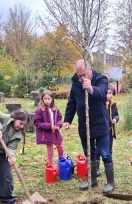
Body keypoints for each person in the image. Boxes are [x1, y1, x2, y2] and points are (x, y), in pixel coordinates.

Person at [63, 59, 114, 194]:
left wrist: (91, 88)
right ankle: (92, 180)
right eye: (78, 75)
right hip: (84, 125)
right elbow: (72, 101)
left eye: (83, 75)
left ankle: (110, 182)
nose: (81, 78)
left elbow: (102, 93)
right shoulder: (75, 81)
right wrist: (67, 119)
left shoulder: (101, 78)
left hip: (100, 123)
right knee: (89, 153)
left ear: (90, 70)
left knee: (104, 153)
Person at [34, 89, 64, 166]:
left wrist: (58, 125)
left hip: (56, 133)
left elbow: (59, 119)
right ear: (42, 99)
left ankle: (61, 162)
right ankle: (51, 166)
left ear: (52, 99)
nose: (47, 101)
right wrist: (49, 126)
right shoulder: (40, 110)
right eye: (45, 99)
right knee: (50, 152)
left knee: (60, 148)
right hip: (47, 134)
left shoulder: (55, 109)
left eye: (49, 99)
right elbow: (37, 123)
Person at [96, 85, 119, 176]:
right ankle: (96, 167)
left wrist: (115, 119)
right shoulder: (99, 103)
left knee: (109, 150)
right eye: (108, 93)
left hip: (109, 131)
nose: (110, 95)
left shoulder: (113, 103)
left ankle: (108, 167)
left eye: (111, 93)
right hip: (100, 131)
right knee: (98, 149)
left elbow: (116, 114)